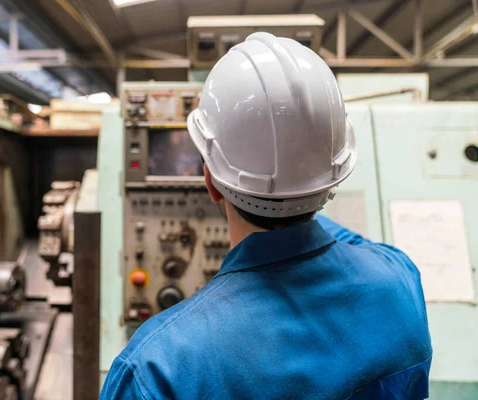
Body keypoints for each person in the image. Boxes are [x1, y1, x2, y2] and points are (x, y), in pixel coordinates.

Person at [100, 33, 432, 400]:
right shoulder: (401, 278)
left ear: (210, 182)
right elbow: (353, 245)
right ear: (334, 178)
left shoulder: (156, 368)